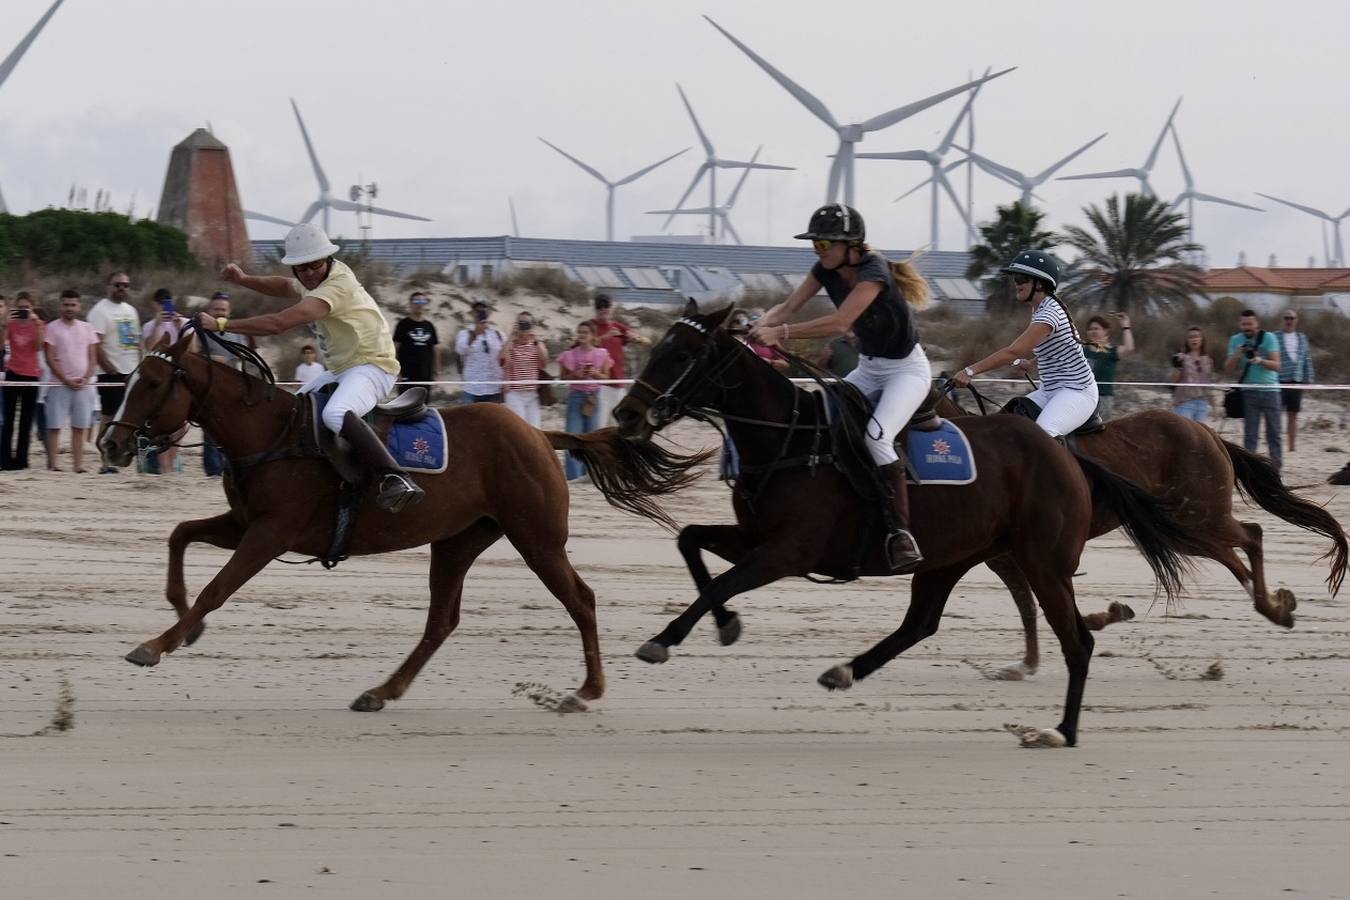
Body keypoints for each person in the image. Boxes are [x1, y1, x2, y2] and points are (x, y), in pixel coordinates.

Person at [750, 203, 929, 570]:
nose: (819, 251)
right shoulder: (824, 268)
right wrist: (758, 323)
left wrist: (779, 332)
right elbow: (788, 306)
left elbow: (840, 322)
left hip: (905, 372)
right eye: (815, 245)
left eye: (823, 244)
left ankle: (901, 533)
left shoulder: (874, 272)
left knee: (877, 437)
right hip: (869, 367)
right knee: (825, 415)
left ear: (851, 246)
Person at [199, 223, 423, 511]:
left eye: (314, 265)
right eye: (301, 268)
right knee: (294, 410)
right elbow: (283, 285)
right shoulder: (312, 278)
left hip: (373, 366)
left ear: (327, 259)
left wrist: (220, 324)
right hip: (343, 369)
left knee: (335, 413)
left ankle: (395, 478)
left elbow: (278, 323)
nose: (308, 273)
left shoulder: (336, 285)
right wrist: (244, 279)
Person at [952, 249, 1098, 441]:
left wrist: (969, 371)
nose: (1016, 284)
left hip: (1076, 393)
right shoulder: (1040, 309)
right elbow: (1060, 348)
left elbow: (1012, 352)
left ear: (1040, 284)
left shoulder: (1049, 315)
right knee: (1008, 423)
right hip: (1049, 391)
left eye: (1021, 279)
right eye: (1015, 279)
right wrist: (1031, 364)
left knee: (1042, 435)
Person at [87, 272, 143, 473]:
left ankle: (126, 457)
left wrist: (140, 363)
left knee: (131, 417)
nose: (122, 288)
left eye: (125, 285)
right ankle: (105, 461)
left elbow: (136, 342)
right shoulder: (99, 311)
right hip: (111, 373)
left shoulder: (131, 311)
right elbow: (96, 344)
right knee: (109, 417)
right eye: (117, 284)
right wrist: (109, 368)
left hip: (131, 371)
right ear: (108, 286)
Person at [198, 291, 257, 477]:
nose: (219, 312)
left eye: (223, 309)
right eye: (216, 309)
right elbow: (191, 355)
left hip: (232, 388)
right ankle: (213, 470)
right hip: (208, 387)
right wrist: (210, 359)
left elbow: (245, 357)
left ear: (229, 312)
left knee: (231, 429)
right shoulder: (201, 331)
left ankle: (230, 467)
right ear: (209, 310)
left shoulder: (236, 333)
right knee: (211, 429)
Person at [42, 290, 99, 473]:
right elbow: (49, 358)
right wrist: (65, 380)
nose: (69, 308)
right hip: (59, 385)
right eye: (66, 304)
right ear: (61, 305)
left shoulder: (87, 328)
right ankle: (53, 464)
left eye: (73, 304)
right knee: (54, 426)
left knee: (79, 427)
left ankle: (78, 465)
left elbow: (92, 357)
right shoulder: (52, 328)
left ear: (79, 306)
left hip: (83, 386)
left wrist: (86, 378)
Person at [1225, 309, 1282, 470]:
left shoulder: (1269, 338)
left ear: (1257, 323)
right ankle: (1250, 468)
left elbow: (1277, 366)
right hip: (1248, 392)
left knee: (1274, 433)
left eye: (1250, 324)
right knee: (1250, 434)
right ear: (1239, 324)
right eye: (1244, 324)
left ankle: (1276, 468)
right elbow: (1228, 368)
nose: (1247, 327)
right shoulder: (1235, 340)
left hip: (1271, 390)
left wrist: (1259, 360)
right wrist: (1238, 353)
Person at [556, 321, 612, 481]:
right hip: (576, 396)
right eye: (580, 332)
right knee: (573, 437)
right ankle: (574, 476)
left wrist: (595, 373)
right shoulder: (570, 354)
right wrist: (575, 375)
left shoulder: (602, 354)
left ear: (592, 335)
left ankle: (591, 475)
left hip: (594, 397)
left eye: (585, 332)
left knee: (593, 438)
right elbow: (562, 378)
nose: (582, 335)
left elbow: (606, 378)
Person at [586, 293, 647, 425]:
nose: (603, 309)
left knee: (617, 425)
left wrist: (636, 338)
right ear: (595, 309)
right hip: (599, 385)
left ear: (611, 307)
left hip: (618, 383)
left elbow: (644, 340)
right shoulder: (590, 326)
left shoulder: (618, 326)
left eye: (606, 305)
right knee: (598, 425)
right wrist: (605, 337)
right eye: (599, 306)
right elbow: (584, 345)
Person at [2, 292, 44, 470]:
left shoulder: (39, 324)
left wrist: (38, 325)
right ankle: (4, 459)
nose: (23, 311)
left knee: (26, 421)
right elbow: (1, 346)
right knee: (9, 420)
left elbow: (38, 347)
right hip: (13, 372)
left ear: (32, 308)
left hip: (31, 374)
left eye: (26, 308)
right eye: (20, 308)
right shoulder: (11, 324)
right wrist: (4, 325)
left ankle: (21, 460)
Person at [499, 311, 548, 428]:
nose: (524, 325)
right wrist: (511, 336)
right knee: (519, 429)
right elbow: (501, 360)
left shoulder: (536, 344)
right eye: (522, 323)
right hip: (515, 393)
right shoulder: (511, 345)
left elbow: (544, 361)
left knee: (535, 429)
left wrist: (535, 339)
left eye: (527, 323)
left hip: (532, 394)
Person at [1082, 312, 1134, 420]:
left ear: (1106, 331)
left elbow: (1129, 348)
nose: (1093, 331)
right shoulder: (1082, 351)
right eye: (1090, 329)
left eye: (1096, 328)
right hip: (1083, 397)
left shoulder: (1111, 351)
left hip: (1103, 399)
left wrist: (1126, 326)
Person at [453, 299, 505, 403]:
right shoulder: (464, 333)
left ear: (489, 312)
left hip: (494, 387)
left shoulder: (498, 334)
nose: (480, 312)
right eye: (477, 310)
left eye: (484, 309)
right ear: (472, 313)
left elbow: (507, 354)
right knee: (469, 419)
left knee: (492, 419)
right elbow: (460, 350)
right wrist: (474, 335)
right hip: (472, 388)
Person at [1277, 308, 1314, 453]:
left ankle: (1292, 447)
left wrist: (1309, 378)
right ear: (1283, 320)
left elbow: (1307, 359)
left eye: (1292, 318)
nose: (1289, 321)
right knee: (1276, 415)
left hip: (1296, 380)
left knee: (1293, 415)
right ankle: (1278, 444)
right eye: (1286, 318)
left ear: (1296, 320)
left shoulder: (1302, 338)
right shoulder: (1275, 336)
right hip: (1279, 381)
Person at [393, 291, 439, 393]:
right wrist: (397, 372)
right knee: (405, 407)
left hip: (425, 375)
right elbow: (395, 348)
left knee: (424, 407)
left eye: (422, 301)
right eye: (416, 301)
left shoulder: (429, 326)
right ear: (410, 304)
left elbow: (435, 350)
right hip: (407, 376)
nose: (419, 304)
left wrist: (435, 373)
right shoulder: (403, 324)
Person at [1169, 326, 1215, 424]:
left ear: (1202, 339)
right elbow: (1173, 381)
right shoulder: (1181, 357)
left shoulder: (1208, 360)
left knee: (1200, 436)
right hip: (1185, 402)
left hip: (1202, 403)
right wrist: (1177, 367)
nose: (1194, 339)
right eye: (1191, 337)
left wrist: (1214, 407)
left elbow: (1208, 386)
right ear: (1187, 340)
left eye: (1197, 336)